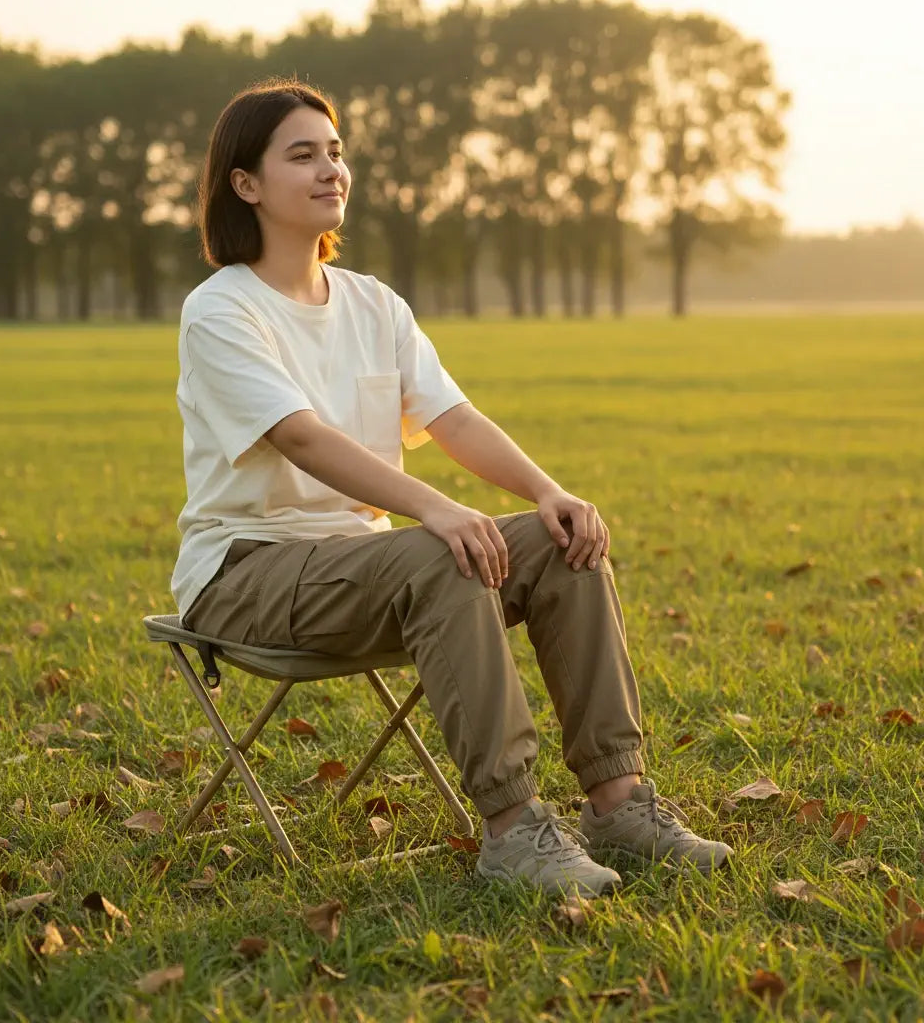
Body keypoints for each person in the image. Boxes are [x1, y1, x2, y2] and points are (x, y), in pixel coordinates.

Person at [172, 77, 731, 898]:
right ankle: (512, 830)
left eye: (335, 153)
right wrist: (433, 505)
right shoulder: (221, 310)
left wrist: (549, 493)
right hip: (247, 572)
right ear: (245, 185)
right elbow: (299, 435)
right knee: (442, 555)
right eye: (303, 156)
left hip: (356, 565)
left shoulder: (373, 303)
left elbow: (452, 419)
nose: (331, 170)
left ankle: (618, 802)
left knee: (561, 542)